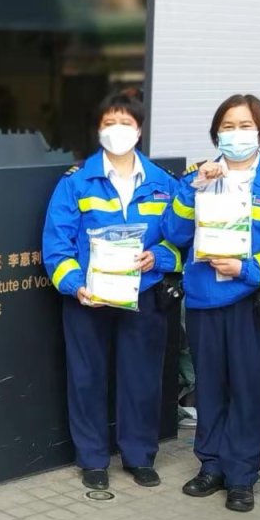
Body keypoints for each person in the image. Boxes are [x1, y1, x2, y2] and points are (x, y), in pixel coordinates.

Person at [162, 94, 260, 513]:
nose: (236, 134)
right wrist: (195, 190)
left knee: (250, 389)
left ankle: (242, 475)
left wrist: (246, 269)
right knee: (210, 387)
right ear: (216, 132)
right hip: (205, 300)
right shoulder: (196, 176)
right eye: (228, 126)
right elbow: (174, 232)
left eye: (245, 126)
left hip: (252, 303)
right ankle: (211, 466)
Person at [42, 90, 183, 491]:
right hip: (89, 297)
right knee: (86, 378)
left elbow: (181, 238)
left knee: (141, 378)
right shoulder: (75, 182)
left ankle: (139, 456)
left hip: (144, 294)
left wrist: (160, 256)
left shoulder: (163, 183)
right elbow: (56, 243)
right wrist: (75, 285)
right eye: (109, 123)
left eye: (125, 123)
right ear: (98, 129)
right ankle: (92, 458)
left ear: (139, 130)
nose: (117, 130)